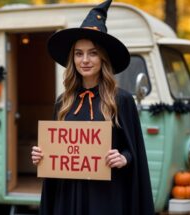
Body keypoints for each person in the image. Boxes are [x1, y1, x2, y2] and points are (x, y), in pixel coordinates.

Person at [31, 0, 155, 214]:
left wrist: (124, 157)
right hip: (68, 196)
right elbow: (58, 152)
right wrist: (43, 155)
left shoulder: (121, 100)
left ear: (103, 58)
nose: (85, 60)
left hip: (106, 196)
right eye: (79, 53)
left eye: (93, 53)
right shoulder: (63, 101)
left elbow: (133, 151)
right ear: (73, 59)